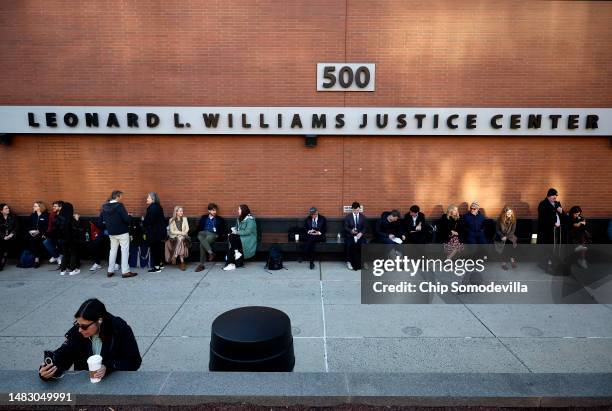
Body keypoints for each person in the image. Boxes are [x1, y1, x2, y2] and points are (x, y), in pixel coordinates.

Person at [38, 298, 141, 381]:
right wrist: (49, 370)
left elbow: (134, 361)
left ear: (99, 321)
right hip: (86, 384)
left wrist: (109, 367)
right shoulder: (79, 332)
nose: (79, 330)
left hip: (115, 383)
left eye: (84, 326)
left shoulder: (119, 329)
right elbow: (65, 354)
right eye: (77, 324)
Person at [101, 191, 137, 278]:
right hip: (122, 232)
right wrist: (130, 216)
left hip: (111, 232)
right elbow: (126, 220)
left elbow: (104, 219)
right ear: (117, 196)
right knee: (124, 251)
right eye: (121, 196)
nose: (122, 198)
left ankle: (110, 270)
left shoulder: (105, 206)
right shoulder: (119, 206)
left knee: (112, 251)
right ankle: (125, 271)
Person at [223, 204, 257, 271]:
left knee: (232, 238)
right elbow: (237, 228)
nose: (238, 211)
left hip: (249, 238)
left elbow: (248, 231)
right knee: (231, 236)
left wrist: (236, 232)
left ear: (243, 210)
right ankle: (236, 255)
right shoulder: (239, 218)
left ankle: (231, 263)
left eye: (239, 209)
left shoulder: (250, 219)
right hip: (241, 237)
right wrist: (234, 230)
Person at [196, 203, 227, 272]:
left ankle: (201, 265)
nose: (214, 212)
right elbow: (199, 228)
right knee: (199, 235)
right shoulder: (204, 217)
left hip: (212, 234)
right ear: (209, 211)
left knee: (202, 244)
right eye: (213, 210)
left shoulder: (219, 219)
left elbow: (223, 230)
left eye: (215, 210)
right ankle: (211, 253)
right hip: (203, 233)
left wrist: (218, 235)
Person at [143, 192, 166, 273]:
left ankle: (157, 267)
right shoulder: (158, 207)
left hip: (154, 232)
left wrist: (144, 221)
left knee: (155, 249)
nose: (147, 199)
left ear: (153, 199)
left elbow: (149, 220)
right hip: (159, 232)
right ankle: (160, 264)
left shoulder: (152, 208)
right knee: (158, 248)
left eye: (148, 198)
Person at [58, 202, 83, 276]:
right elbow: (77, 229)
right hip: (72, 239)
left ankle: (63, 270)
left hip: (62, 239)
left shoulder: (59, 217)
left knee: (64, 254)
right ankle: (72, 270)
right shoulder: (71, 218)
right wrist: (77, 220)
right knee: (73, 253)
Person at [165, 206, 191, 271]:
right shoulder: (171, 220)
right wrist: (180, 233)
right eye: (180, 211)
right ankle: (182, 262)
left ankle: (175, 256)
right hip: (174, 237)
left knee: (181, 239)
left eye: (182, 211)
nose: (181, 212)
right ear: (176, 212)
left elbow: (187, 228)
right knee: (180, 239)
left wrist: (183, 234)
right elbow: (172, 231)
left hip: (184, 236)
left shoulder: (185, 218)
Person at [343, 202, 368, 270]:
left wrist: (361, 233)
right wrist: (351, 231)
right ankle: (349, 261)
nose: (356, 211)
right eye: (355, 210)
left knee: (364, 244)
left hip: (360, 236)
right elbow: (345, 227)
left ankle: (364, 261)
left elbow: (365, 228)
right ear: (352, 209)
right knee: (348, 245)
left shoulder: (363, 217)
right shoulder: (348, 217)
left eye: (358, 210)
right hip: (350, 236)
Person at [26, 201, 49, 268]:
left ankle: (37, 260)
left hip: (41, 234)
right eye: (34, 206)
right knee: (32, 240)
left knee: (36, 241)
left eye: (35, 206)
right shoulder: (33, 215)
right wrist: (30, 231)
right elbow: (29, 225)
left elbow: (47, 226)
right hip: (32, 233)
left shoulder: (46, 215)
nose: (33, 207)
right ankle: (34, 258)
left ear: (40, 207)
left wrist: (40, 231)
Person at [494, 206, 518, 270]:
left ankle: (511, 260)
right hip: (500, 236)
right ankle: (504, 263)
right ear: (505, 212)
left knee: (510, 243)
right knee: (504, 246)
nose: (509, 214)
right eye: (508, 212)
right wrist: (502, 236)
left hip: (509, 235)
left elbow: (513, 230)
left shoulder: (513, 219)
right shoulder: (500, 219)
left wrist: (506, 237)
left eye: (510, 212)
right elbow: (497, 230)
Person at [43, 201, 63, 266]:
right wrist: (46, 234)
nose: (53, 207)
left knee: (60, 242)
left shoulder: (64, 214)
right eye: (53, 206)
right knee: (46, 242)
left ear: (60, 207)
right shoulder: (52, 214)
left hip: (62, 235)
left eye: (55, 206)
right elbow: (50, 226)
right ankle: (57, 256)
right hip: (53, 234)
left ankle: (59, 257)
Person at [0, 203, 19, 271]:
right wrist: (3, 237)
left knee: (6, 245)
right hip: (2, 237)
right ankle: (2, 261)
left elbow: (16, 227)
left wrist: (11, 234)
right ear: (1, 211)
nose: (8, 209)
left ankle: (2, 262)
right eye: (6, 208)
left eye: (8, 208)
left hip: (12, 236)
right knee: (3, 244)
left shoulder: (13, 216)